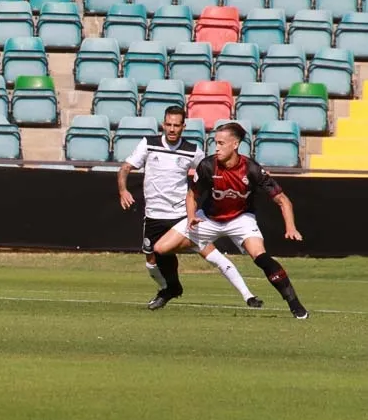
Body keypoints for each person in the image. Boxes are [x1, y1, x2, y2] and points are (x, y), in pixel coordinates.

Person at [153, 122, 309, 319]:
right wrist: (191, 216)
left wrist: (291, 227)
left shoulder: (251, 169)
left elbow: (283, 200)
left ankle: (295, 305)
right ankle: (173, 287)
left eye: (221, 143)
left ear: (235, 144)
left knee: (261, 257)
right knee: (159, 249)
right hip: (208, 218)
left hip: (240, 218)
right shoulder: (207, 166)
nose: (216, 148)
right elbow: (192, 195)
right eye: (215, 143)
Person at [118, 107, 262, 311]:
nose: (172, 129)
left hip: (181, 216)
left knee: (210, 253)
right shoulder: (148, 144)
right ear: (163, 124)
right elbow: (125, 168)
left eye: (176, 125)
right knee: (151, 261)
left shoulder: (192, 150)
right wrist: (123, 190)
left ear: (183, 126)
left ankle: (249, 296)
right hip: (153, 216)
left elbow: (211, 170)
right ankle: (168, 289)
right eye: (169, 124)